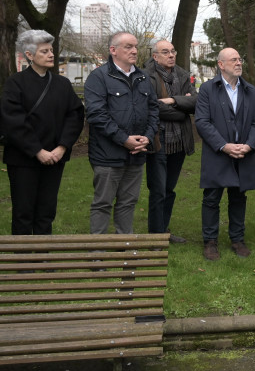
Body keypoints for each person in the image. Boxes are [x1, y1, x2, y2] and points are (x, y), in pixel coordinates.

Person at [0, 30, 84, 235]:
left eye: (51, 50)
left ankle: (43, 258)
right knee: (23, 212)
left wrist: (62, 147)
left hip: (55, 158)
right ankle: (23, 263)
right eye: (44, 51)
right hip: (23, 159)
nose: (51, 54)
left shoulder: (62, 84)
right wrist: (38, 151)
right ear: (29, 55)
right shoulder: (15, 83)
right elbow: (13, 122)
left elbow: (75, 115)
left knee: (46, 211)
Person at [85, 32, 159, 234]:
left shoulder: (143, 77)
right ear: (113, 50)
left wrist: (148, 137)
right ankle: (97, 255)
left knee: (128, 203)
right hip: (107, 155)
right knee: (103, 204)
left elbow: (153, 110)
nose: (134, 50)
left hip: (136, 154)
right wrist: (124, 139)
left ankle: (125, 251)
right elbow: (97, 115)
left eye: (135, 46)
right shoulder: (99, 77)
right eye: (128, 47)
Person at [195, 47, 255, 261]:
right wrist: (224, 146)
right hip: (218, 153)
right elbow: (202, 122)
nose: (239, 63)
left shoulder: (250, 90)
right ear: (221, 65)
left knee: (238, 197)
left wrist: (249, 145)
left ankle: (237, 239)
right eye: (234, 60)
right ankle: (210, 241)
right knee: (212, 198)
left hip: (242, 153)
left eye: (240, 59)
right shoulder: (208, 89)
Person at [145, 40, 197, 244]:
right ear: (155, 56)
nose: (171, 55)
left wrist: (172, 100)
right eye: (165, 52)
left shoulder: (183, 75)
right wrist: (180, 109)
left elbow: (196, 101)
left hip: (179, 142)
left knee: (169, 189)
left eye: (173, 51)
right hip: (158, 141)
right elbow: (152, 106)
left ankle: (163, 231)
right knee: (158, 190)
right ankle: (155, 236)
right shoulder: (146, 76)